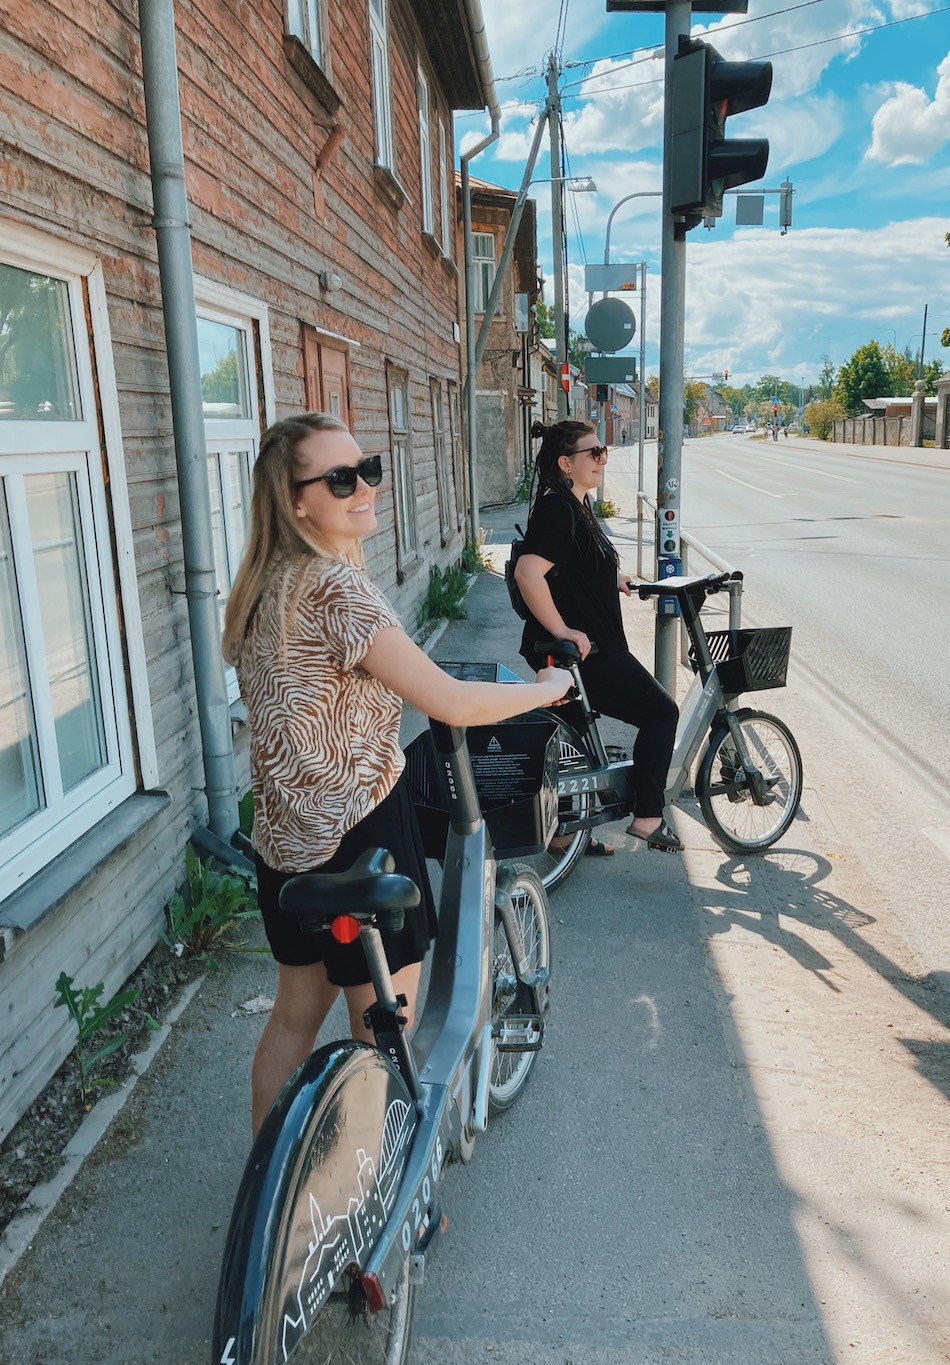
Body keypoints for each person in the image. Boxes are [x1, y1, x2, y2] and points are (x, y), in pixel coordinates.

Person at [222, 413, 570, 1134]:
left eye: (367, 468)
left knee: (292, 1019)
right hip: (360, 833)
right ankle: (377, 1209)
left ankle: (269, 1193)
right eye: (340, 479)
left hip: (285, 840)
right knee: (381, 1032)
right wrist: (544, 692)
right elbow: (447, 700)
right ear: (296, 502)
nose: (364, 488)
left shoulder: (266, 586)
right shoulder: (336, 590)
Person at [513, 418, 681, 855]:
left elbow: (573, 564)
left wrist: (614, 578)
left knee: (567, 744)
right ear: (566, 462)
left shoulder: (575, 504)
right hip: (586, 652)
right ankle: (648, 816)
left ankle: (563, 834)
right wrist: (563, 630)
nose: (603, 459)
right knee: (661, 713)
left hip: (580, 650)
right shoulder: (558, 508)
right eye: (595, 453)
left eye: (603, 451)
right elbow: (529, 572)